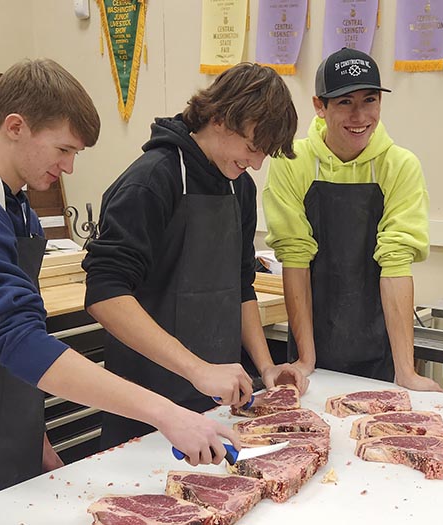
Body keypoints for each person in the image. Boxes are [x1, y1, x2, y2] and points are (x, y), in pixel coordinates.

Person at [0, 59, 240, 525]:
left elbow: (6, 346)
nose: (68, 166)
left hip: (5, 432)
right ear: (15, 127)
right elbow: (20, 340)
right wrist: (167, 414)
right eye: (63, 149)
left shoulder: (15, 206)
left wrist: (38, 440)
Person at [84, 63, 308, 449]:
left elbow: (242, 286)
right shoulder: (152, 180)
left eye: (264, 154)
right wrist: (196, 368)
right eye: (253, 148)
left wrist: (266, 366)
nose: (256, 164)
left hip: (216, 403)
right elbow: (105, 294)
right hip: (148, 405)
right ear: (220, 118)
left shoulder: (240, 188)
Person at [262, 48, 440, 392]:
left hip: (378, 342)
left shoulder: (400, 165)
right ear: (319, 106)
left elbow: (396, 262)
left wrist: (406, 372)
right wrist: (306, 359)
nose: (360, 115)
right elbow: (295, 258)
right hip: (312, 341)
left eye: (369, 100)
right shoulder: (291, 161)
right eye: (344, 102)